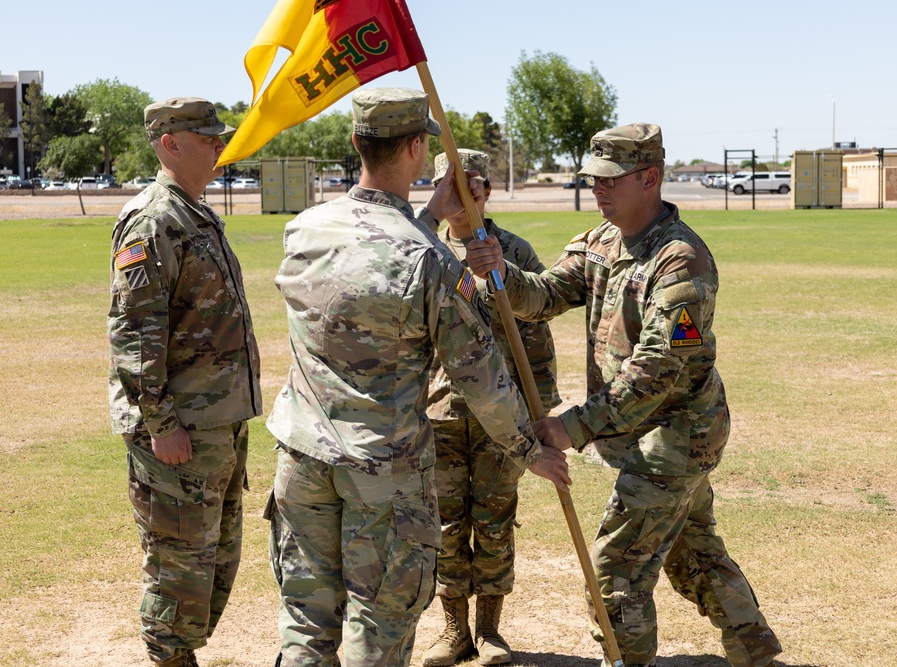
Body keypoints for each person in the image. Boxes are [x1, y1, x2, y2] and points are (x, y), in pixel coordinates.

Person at [264, 87, 571, 667]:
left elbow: (384, 242)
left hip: (302, 458)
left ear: (356, 143)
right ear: (414, 147)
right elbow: (479, 374)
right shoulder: (429, 259)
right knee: (377, 628)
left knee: (306, 626)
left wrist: (430, 214)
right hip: (382, 469)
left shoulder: (307, 228)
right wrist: (529, 449)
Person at [465, 123, 782, 667]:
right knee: (695, 554)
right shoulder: (600, 242)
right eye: (594, 180)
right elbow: (543, 296)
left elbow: (660, 366)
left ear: (651, 178)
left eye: (612, 180)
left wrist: (575, 425)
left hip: (675, 438)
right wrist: (499, 272)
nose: (600, 190)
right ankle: (756, 652)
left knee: (615, 573)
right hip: (644, 437)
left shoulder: (681, 261)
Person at [107, 97, 262, 667]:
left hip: (216, 426)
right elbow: (135, 332)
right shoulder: (153, 220)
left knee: (213, 567)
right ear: (170, 143)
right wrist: (161, 423)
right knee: (179, 569)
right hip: (180, 434)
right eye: (208, 138)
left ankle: (180, 655)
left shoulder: (194, 212)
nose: (220, 147)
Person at [421, 150, 561, 667]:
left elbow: (539, 334)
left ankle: (490, 632)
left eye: (473, 183)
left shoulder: (512, 250)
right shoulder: (425, 250)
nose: (465, 193)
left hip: (505, 416)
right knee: (446, 524)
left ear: (488, 189)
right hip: (440, 410)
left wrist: (541, 409)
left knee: (496, 518)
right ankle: (452, 628)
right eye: (452, 183)